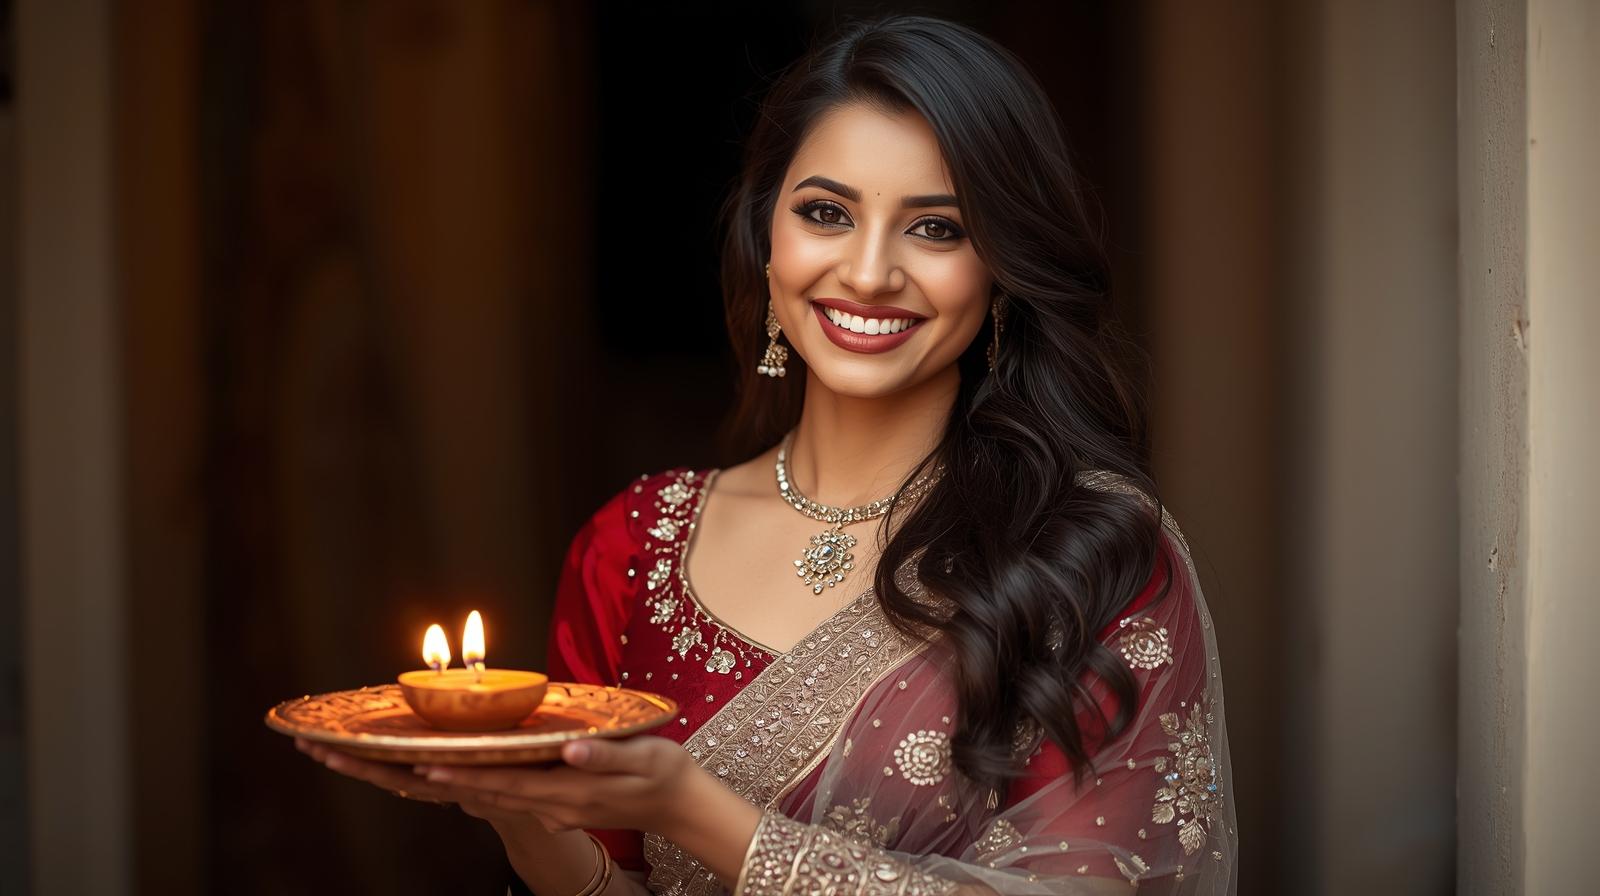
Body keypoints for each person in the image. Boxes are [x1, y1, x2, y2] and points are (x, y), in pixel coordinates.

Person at [298, 13, 1236, 895]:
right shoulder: (631, 550)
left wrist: (694, 812)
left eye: (937, 227)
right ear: (766, 238)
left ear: (1000, 272)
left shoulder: (1088, 555)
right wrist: (534, 829)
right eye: (826, 213)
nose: (868, 271)